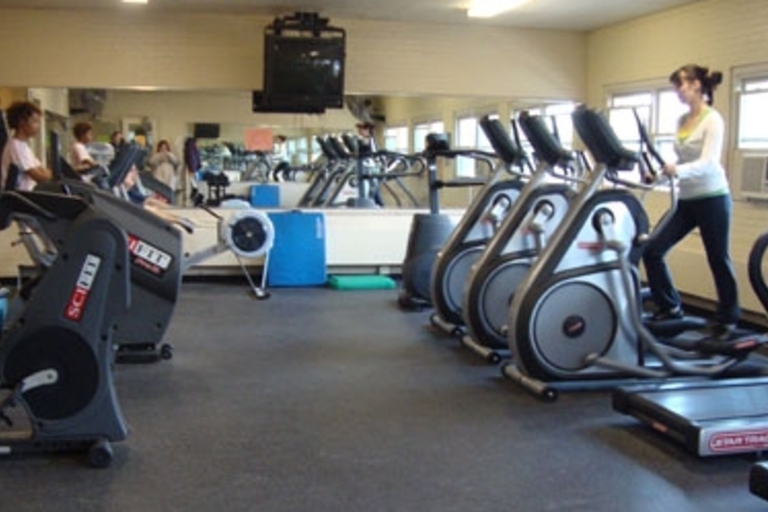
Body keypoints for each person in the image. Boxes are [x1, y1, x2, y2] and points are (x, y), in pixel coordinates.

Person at [643, 64, 738, 338]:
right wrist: (656, 178)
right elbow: (679, 164)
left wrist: (678, 170)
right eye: (676, 87)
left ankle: (728, 317)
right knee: (653, 249)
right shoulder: (681, 121)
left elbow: (708, 163)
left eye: (680, 85)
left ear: (697, 85)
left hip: (713, 198)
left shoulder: (713, 119)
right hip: (685, 198)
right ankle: (670, 306)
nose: (678, 91)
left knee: (717, 257)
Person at [5, 101, 52, 191]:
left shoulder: (24, 146)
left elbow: (42, 170)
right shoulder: (16, 146)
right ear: (22, 122)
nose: (38, 126)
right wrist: (57, 177)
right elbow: (39, 177)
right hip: (18, 200)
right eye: (35, 121)